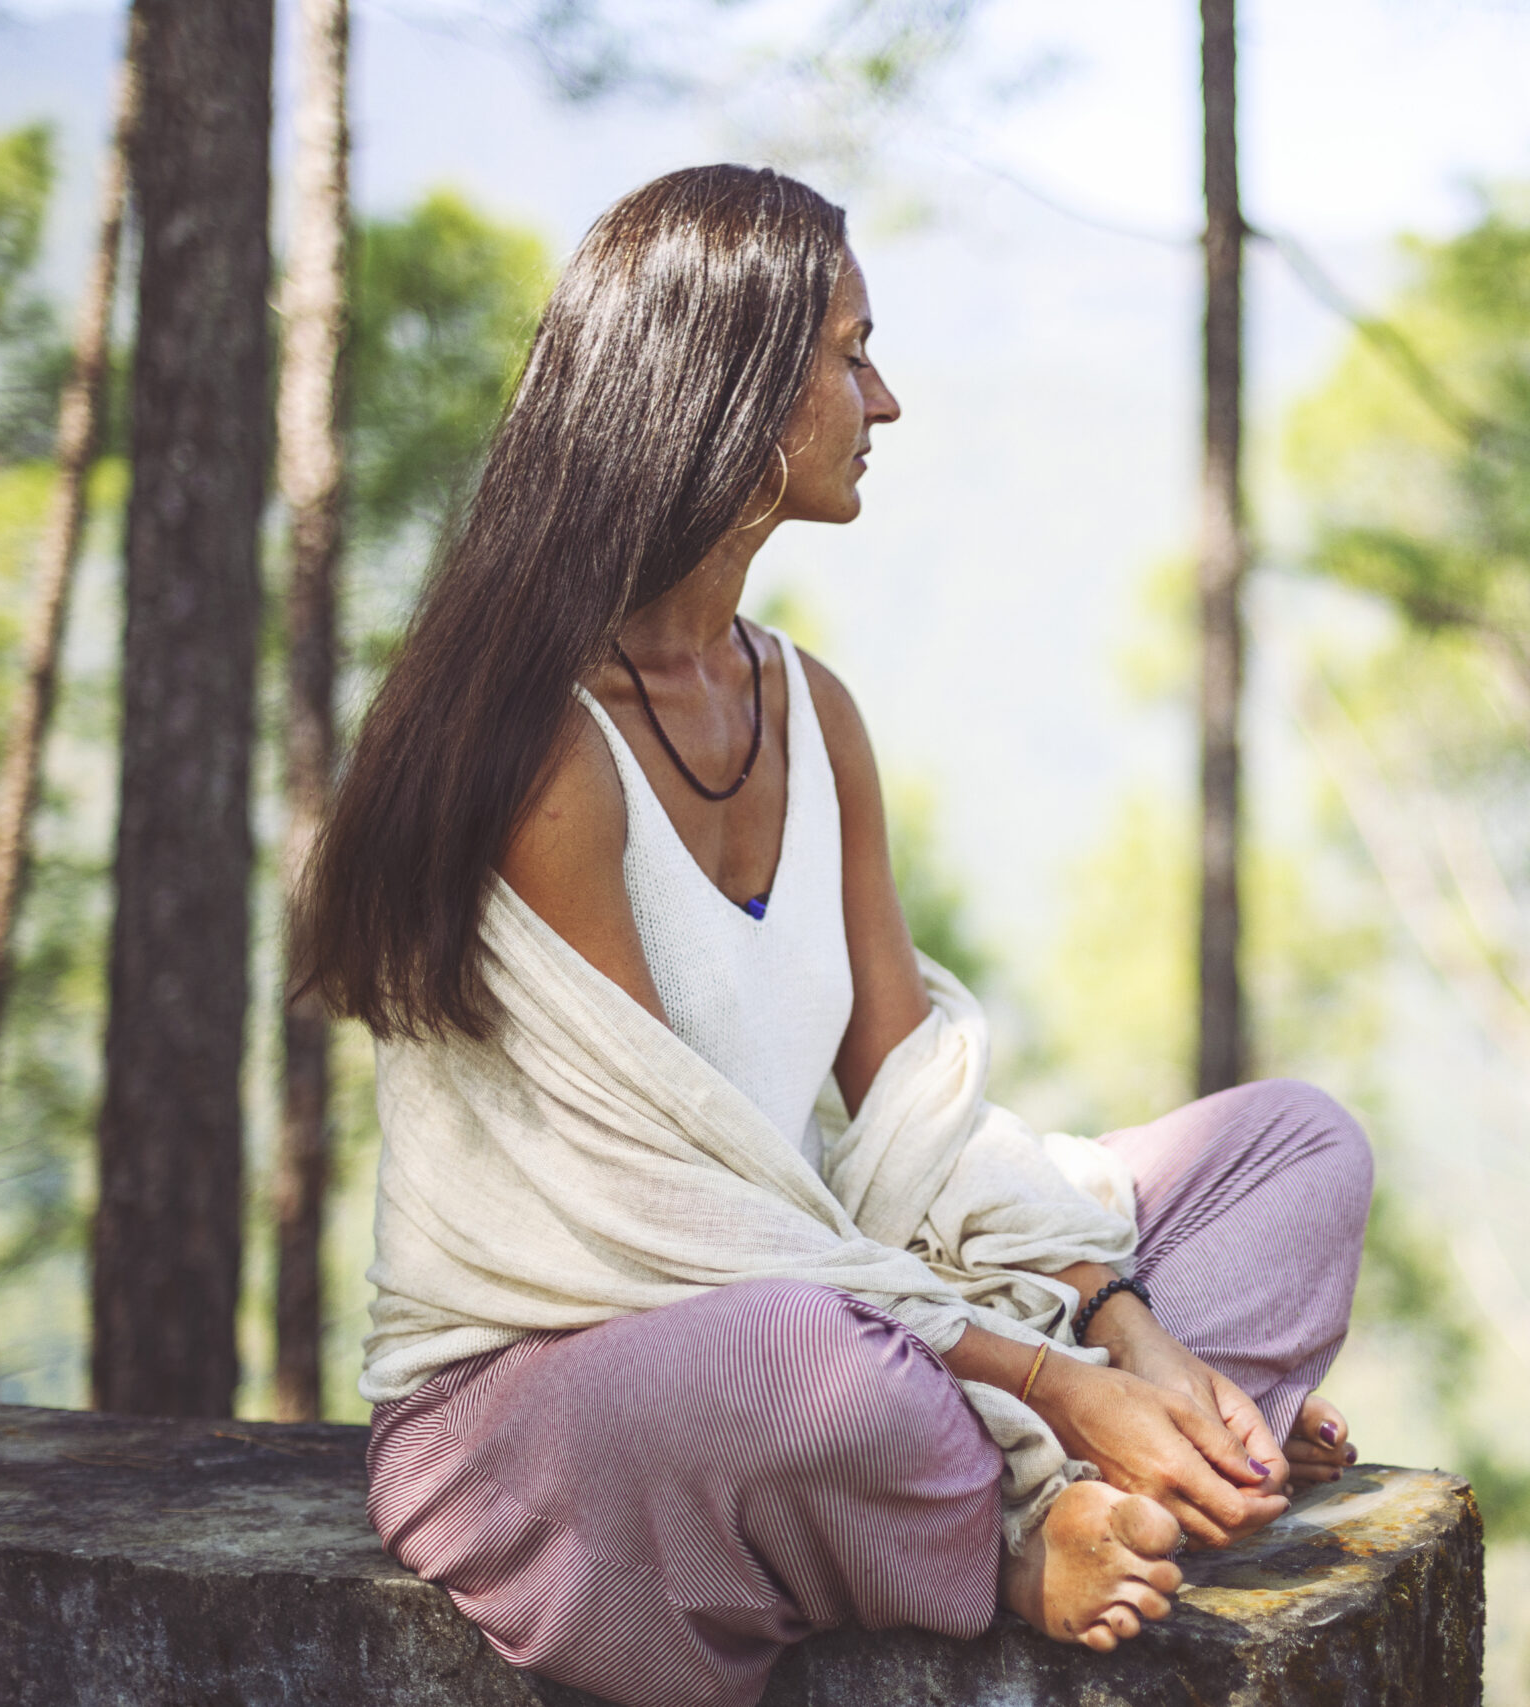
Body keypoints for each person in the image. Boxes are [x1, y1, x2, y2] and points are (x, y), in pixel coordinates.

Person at [291, 164, 1372, 1707]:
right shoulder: (543, 749)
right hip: (568, 1391)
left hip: (839, 1285)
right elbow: (676, 1216)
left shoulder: (808, 709)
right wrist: (1056, 1375)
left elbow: (908, 1101)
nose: (888, 398)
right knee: (798, 1368)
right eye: (851, 353)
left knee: (1295, 1152)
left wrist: (1124, 1323)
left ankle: (1124, 1469)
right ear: (733, 392)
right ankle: (1025, 1528)